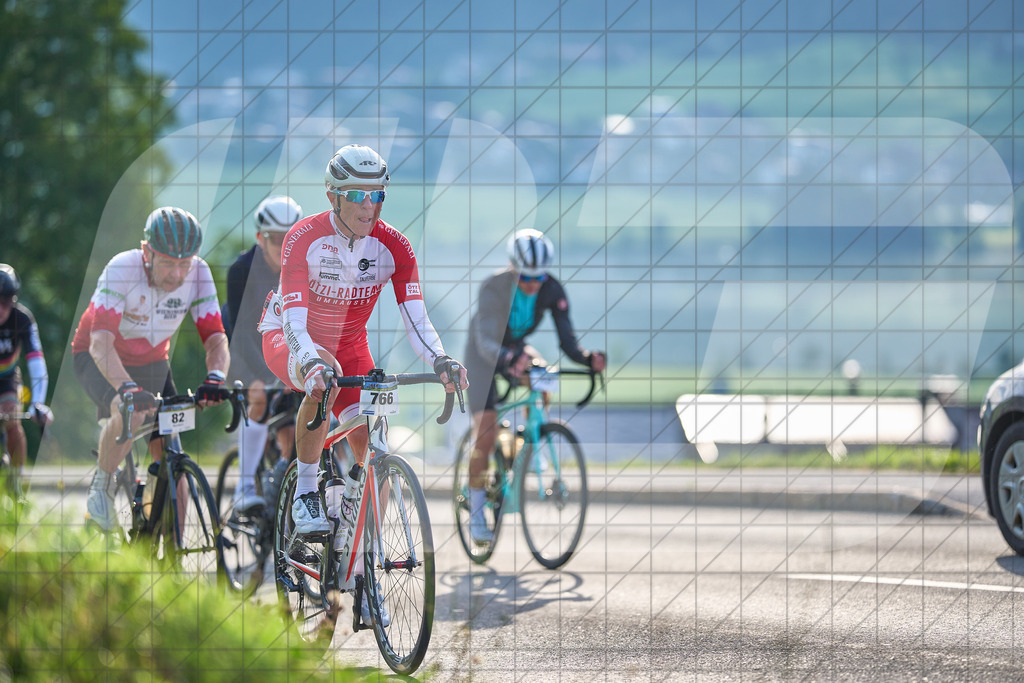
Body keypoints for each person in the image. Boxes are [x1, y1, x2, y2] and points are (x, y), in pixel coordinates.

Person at [258, 143, 468, 625]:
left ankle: (363, 575)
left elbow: (416, 319)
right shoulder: (304, 238)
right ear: (333, 195)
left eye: (378, 196)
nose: (368, 207)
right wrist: (310, 361)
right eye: (357, 195)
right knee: (323, 378)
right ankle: (308, 490)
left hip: (351, 345)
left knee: (371, 444)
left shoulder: (393, 246)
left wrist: (440, 360)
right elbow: (293, 317)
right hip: (291, 335)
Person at [72, 207, 231, 532]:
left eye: (184, 264)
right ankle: (101, 488)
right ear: (147, 252)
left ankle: (169, 545)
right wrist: (127, 390)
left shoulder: (198, 274)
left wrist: (216, 377)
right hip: (99, 357)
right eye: (168, 263)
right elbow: (99, 343)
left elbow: (216, 339)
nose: (177, 275)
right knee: (131, 412)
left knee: (171, 455)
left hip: (153, 361)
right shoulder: (122, 269)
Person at [463, 229, 606, 544]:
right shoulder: (494, 287)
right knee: (485, 435)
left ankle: (534, 442)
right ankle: (475, 511)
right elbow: (486, 341)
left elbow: (567, 341)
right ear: (513, 268)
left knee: (545, 375)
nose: (531, 285)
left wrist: (587, 358)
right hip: (484, 355)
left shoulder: (551, 289)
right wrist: (507, 357)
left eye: (537, 279)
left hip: (515, 348)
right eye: (525, 278)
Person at [224, 195, 303, 512]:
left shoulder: (302, 269)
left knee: (292, 420)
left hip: (282, 349)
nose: (285, 247)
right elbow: (242, 335)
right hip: (243, 348)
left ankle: (284, 480)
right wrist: (270, 375)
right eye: (277, 240)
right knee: (258, 396)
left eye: (291, 238)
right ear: (261, 238)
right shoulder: (241, 269)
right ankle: (244, 486)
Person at [0, 264, 54, 497]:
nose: (1, 309)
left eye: (6, 302)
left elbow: (37, 363)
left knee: (12, 414)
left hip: (8, 378)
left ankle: (16, 484)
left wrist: (37, 404)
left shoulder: (23, 319)